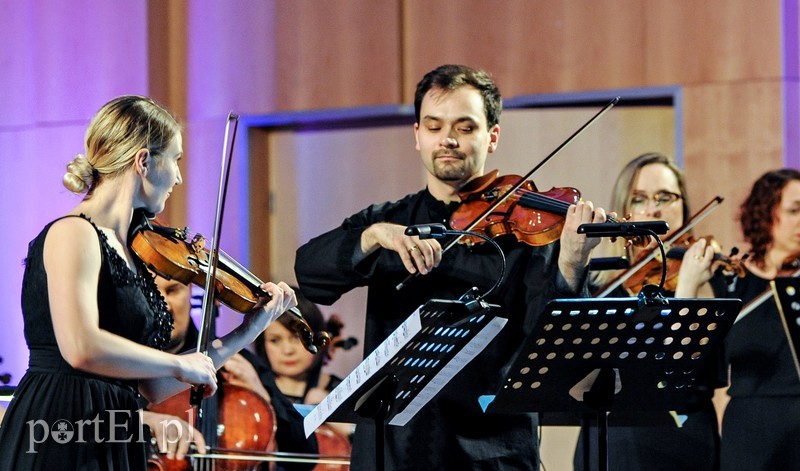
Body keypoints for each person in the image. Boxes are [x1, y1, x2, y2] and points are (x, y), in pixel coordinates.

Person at [293, 64, 607, 470]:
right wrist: (373, 237)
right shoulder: (390, 221)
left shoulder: (525, 232)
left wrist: (571, 262)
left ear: (491, 137)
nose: (448, 140)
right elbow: (310, 273)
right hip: (393, 451)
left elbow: (552, 346)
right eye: (435, 126)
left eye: (465, 127)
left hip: (491, 451)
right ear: (418, 136)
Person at [0, 95, 297, 470]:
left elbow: (150, 387)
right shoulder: (72, 233)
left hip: (116, 433)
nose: (178, 176)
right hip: (62, 426)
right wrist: (179, 365)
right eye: (175, 159)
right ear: (144, 161)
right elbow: (80, 347)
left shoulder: (134, 252)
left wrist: (247, 332)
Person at [574, 152, 726, 470]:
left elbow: (690, 375)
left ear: (684, 205)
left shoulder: (706, 279)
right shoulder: (602, 287)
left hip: (686, 437)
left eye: (665, 197)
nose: (653, 208)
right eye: (640, 198)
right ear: (625, 208)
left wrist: (687, 289)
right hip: (613, 439)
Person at [679, 168, 800, 470]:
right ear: (765, 213)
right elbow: (698, 362)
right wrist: (690, 284)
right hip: (750, 429)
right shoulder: (730, 281)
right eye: (794, 210)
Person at [222, 289, 352, 471]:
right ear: (262, 343)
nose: (287, 350)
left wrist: (345, 425)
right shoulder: (249, 384)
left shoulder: (340, 389)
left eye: (296, 338)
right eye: (275, 340)